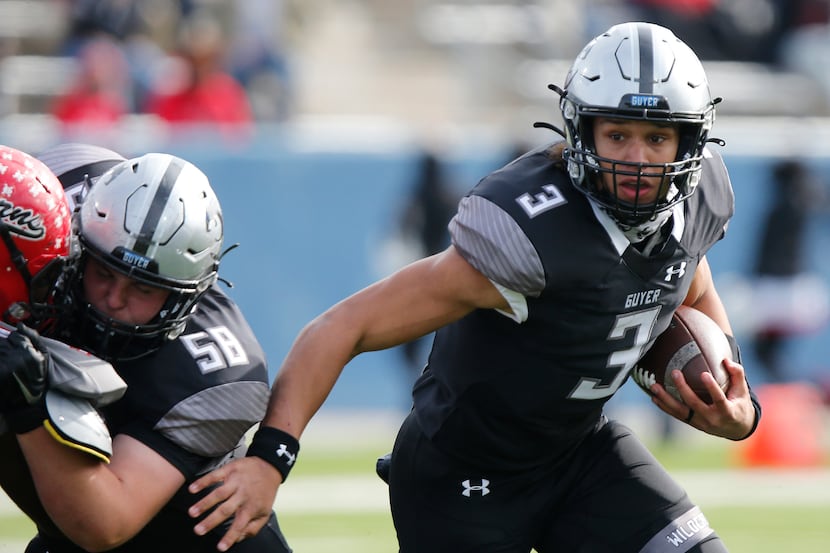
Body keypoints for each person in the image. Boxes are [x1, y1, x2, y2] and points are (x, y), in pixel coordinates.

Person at [189, 22, 761, 552]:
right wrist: (269, 459)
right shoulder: (530, 233)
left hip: (578, 452)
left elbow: (690, 280)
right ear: (580, 132)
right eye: (617, 135)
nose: (637, 162)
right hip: (460, 474)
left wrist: (736, 395)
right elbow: (343, 327)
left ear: (691, 143)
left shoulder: (697, 202)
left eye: (656, 139)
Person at [0, 145, 292, 552]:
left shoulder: (213, 370)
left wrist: (27, 409)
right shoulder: (61, 197)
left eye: (143, 287)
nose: (114, 299)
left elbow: (106, 524)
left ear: (181, 297)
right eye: (102, 271)